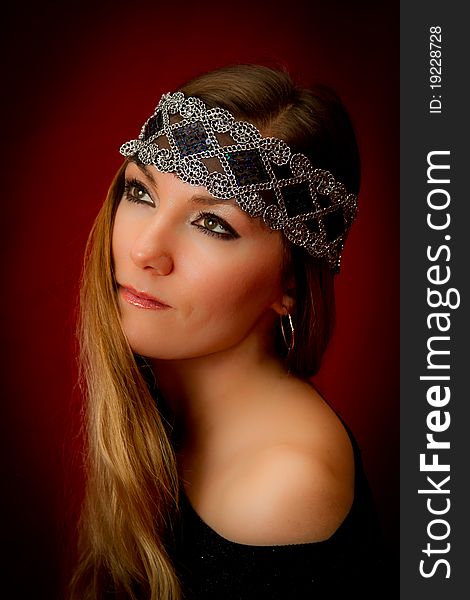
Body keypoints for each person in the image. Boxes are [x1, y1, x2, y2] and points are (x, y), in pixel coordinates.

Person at [69, 64, 388, 599]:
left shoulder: (283, 487)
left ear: (290, 282)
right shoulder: (164, 401)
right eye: (142, 193)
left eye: (213, 225)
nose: (145, 251)